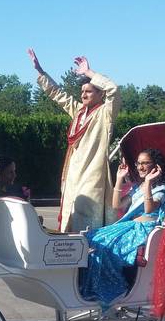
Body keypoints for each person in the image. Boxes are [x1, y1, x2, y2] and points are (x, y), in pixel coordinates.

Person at [28, 50, 120, 232]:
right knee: (68, 217)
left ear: (100, 94)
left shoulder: (105, 113)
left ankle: (89, 256)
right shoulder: (79, 112)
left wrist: (89, 73)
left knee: (86, 219)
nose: (84, 95)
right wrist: (40, 71)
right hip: (72, 174)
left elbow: (113, 89)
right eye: (82, 91)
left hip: (93, 175)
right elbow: (58, 95)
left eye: (89, 91)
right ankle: (69, 256)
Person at [79, 148, 165, 305]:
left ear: (155, 166)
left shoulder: (163, 190)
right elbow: (117, 205)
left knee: (104, 246)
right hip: (130, 227)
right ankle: (92, 286)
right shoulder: (138, 187)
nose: (140, 167)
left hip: (144, 231)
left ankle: (115, 287)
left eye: (145, 163)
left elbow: (149, 209)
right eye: (138, 163)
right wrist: (119, 178)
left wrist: (149, 182)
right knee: (90, 238)